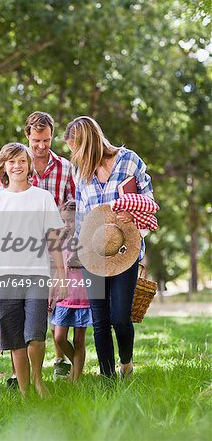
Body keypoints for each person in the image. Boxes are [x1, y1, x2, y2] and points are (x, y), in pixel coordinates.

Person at [64, 116, 155, 379]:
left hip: (125, 251)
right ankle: (108, 379)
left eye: (76, 149)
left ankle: (126, 363)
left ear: (88, 143)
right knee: (100, 321)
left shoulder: (129, 160)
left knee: (120, 319)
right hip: (93, 254)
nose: (74, 156)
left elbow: (148, 199)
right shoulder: (80, 172)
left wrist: (133, 213)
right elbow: (82, 216)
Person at [0, 143, 66, 397]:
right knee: (14, 337)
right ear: (3, 166)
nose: (17, 166)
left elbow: (54, 241)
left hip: (37, 276)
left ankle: (38, 380)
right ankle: (24, 391)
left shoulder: (43, 198)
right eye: (11, 162)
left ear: (29, 165)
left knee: (35, 334)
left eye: (22, 161)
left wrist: (62, 275)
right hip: (6, 279)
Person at [0, 112, 75, 383]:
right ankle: (20, 375)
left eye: (47, 140)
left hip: (54, 247)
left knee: (47, 310)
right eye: (37, 140)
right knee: (18, 314)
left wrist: (65, 217)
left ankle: (58, 360)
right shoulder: (16, 163)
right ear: (28, 135)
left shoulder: (64, 168)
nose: (42, 146)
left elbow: (74, 205)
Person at [49, 201, 93, 381]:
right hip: (64, 296)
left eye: (71, 221)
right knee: (59, 337)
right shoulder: (59, 242)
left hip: (82, 297)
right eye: (63, 221)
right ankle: (76, 365)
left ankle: (77, 380)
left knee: (79, 340)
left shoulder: (85, 241)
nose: (67, 225)